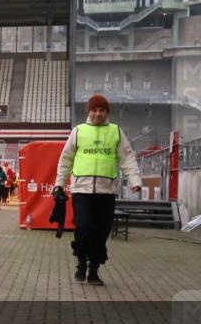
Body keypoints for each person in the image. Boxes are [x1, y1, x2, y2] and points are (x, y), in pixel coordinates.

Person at [54, 94, 142, 286]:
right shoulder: (78, 131)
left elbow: (127, 158)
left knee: (101, 233)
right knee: (84, 227)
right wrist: (59, 184)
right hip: (81, 191)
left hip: (107, 192)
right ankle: (81, 264)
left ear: (107, 112)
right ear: (89, 111)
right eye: (94, 110)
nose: (97, 114)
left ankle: (94, 270)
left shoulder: (116, 131)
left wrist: (134, 179)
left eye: (101, 110)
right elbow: (66, 159)